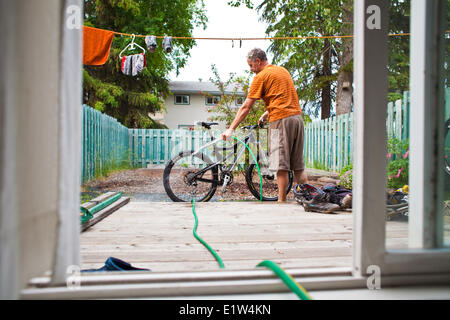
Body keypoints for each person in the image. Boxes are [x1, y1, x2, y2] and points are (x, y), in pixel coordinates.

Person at [221, 48, 308, 202]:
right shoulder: (282, 71)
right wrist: (267, 113)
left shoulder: (260, 77)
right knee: (298, 166)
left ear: (258, 61)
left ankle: (281, 202)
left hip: (280, 120)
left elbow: (246, 107)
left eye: (251, 66)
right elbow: (285, 97)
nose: (251, 70)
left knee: (280, 165)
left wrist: (231, 129)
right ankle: (309, 198)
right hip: (297, 119)